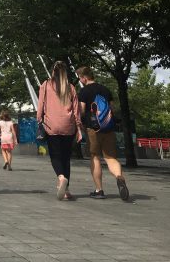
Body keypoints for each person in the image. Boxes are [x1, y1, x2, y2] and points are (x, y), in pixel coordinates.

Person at [76, 65, 130, 201]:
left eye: (80, 78)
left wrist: (80, 122)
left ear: (84, 77)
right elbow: (111, 108)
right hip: (108, 128)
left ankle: (99, 190)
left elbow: (81, 110)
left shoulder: (84, 92)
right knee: (111, 158)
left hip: (93, 129)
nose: (80, 80)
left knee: (95, 157)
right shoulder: (105, 89)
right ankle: (119, 177)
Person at [37, 60, 83, 201]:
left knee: (55, 156)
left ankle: (61, 178)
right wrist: (79, 128)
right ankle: (66, 190)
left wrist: (39, 120)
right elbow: (76, 110)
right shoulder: (71, 87)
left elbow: (40, 107)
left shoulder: (46, 85)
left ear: (52, 72)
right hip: (68, 126)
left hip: (52, 125)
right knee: (65, 158)